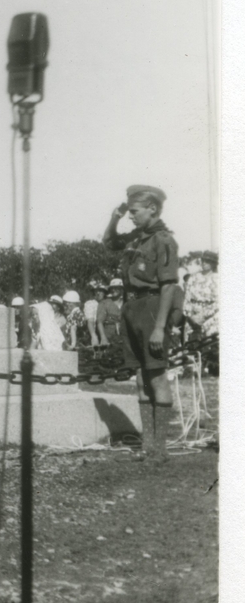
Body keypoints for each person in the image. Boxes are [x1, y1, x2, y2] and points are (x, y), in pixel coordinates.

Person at [102, 185, 180, 461]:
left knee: (156, 376)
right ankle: (148, 445)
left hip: (152, 308)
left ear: (152, 209)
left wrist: (159, 327)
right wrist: (115, 217)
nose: (131, 216)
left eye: (134, 211)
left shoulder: (163, 240)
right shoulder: (136, 238)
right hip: (132, 308)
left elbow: (169, 286)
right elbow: (109, 242)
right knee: (140, 378)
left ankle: (160, 449)